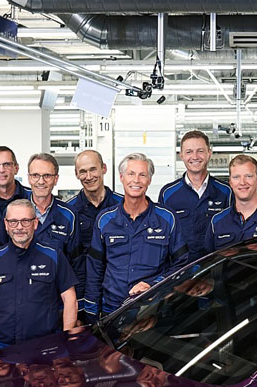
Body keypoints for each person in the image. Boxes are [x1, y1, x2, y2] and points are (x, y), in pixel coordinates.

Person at [84, 153, 188, 319]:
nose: (136, 180)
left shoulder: (167, 218)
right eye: (131, 174)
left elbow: (182, 265)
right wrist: (91, 312)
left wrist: (152, 285)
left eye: (142, 175)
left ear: (149, 180)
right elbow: (95, 269)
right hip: (112, 310)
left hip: (153, 310)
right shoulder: (105, 220)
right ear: (121, 177)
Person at [0, 199, 78, 352]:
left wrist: (66, 342)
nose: (19, 227)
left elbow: (70, 299)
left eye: (25, 221)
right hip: (1, 349)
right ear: (6, 225)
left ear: (35, 223)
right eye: (13, 221)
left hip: (45, 348)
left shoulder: (54, 256)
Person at [159, 130, 232, 261]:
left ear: (209, 153)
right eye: (189, 152)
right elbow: (162, 239)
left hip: (216, 269)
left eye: (200, 151)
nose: (195, 156)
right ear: (181, 155)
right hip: (180, 272)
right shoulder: (168, 193)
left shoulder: (226, 192)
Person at [207, 154, 257, 251]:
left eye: (248, 176)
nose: (242, 182)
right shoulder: (216, 222)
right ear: (230, 182)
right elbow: (208, 261)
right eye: (236, 177)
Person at [67, 149, 122, 286]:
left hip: (117, 286)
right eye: (83, 172)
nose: (89, 176)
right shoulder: (69, 211)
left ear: (104, 168)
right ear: (76, 174)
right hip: (83, 286)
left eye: (93, 169)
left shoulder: (123, 206)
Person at [24, 152, 77, 260]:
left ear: (56, 179)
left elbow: (76, 261)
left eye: (47, 176)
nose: (41, 181)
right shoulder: (16, 212)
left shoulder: (69, 214)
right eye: (35, 175)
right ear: (29, 178)